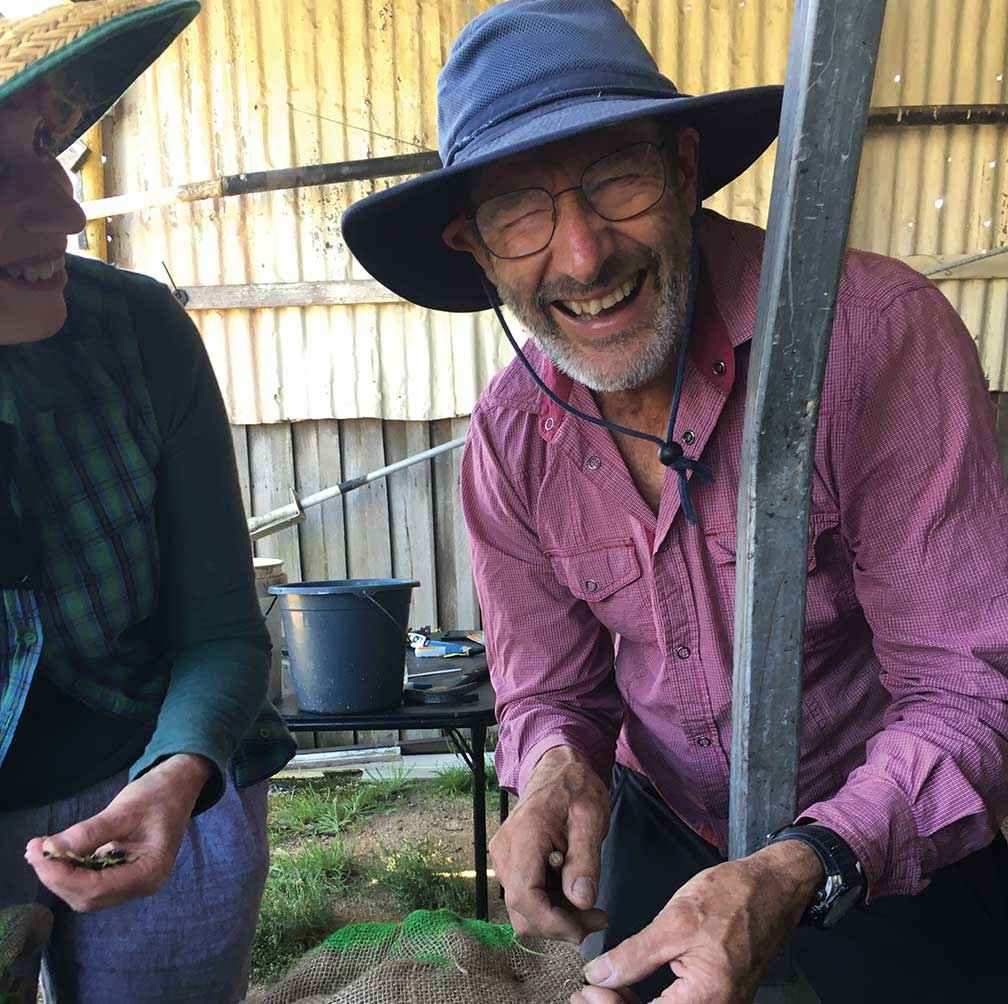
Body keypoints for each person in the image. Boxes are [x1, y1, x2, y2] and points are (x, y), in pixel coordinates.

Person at [341, 2, 1008, 1002]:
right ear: (475, 249)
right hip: (668, 837)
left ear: (686, 169)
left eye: (616, 176)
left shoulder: (873, 340)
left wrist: (802, 859)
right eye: (520, 209)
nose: (580, 256)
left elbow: (974, 688)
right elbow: (546, 687)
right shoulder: (511, 439)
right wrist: (559, 768)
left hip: (895, 842)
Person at [0, 2, 295, 1001]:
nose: (66, 214)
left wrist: (178, 770)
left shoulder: (140, 334)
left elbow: (222, 629)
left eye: (44, 145)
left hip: (163, 771)